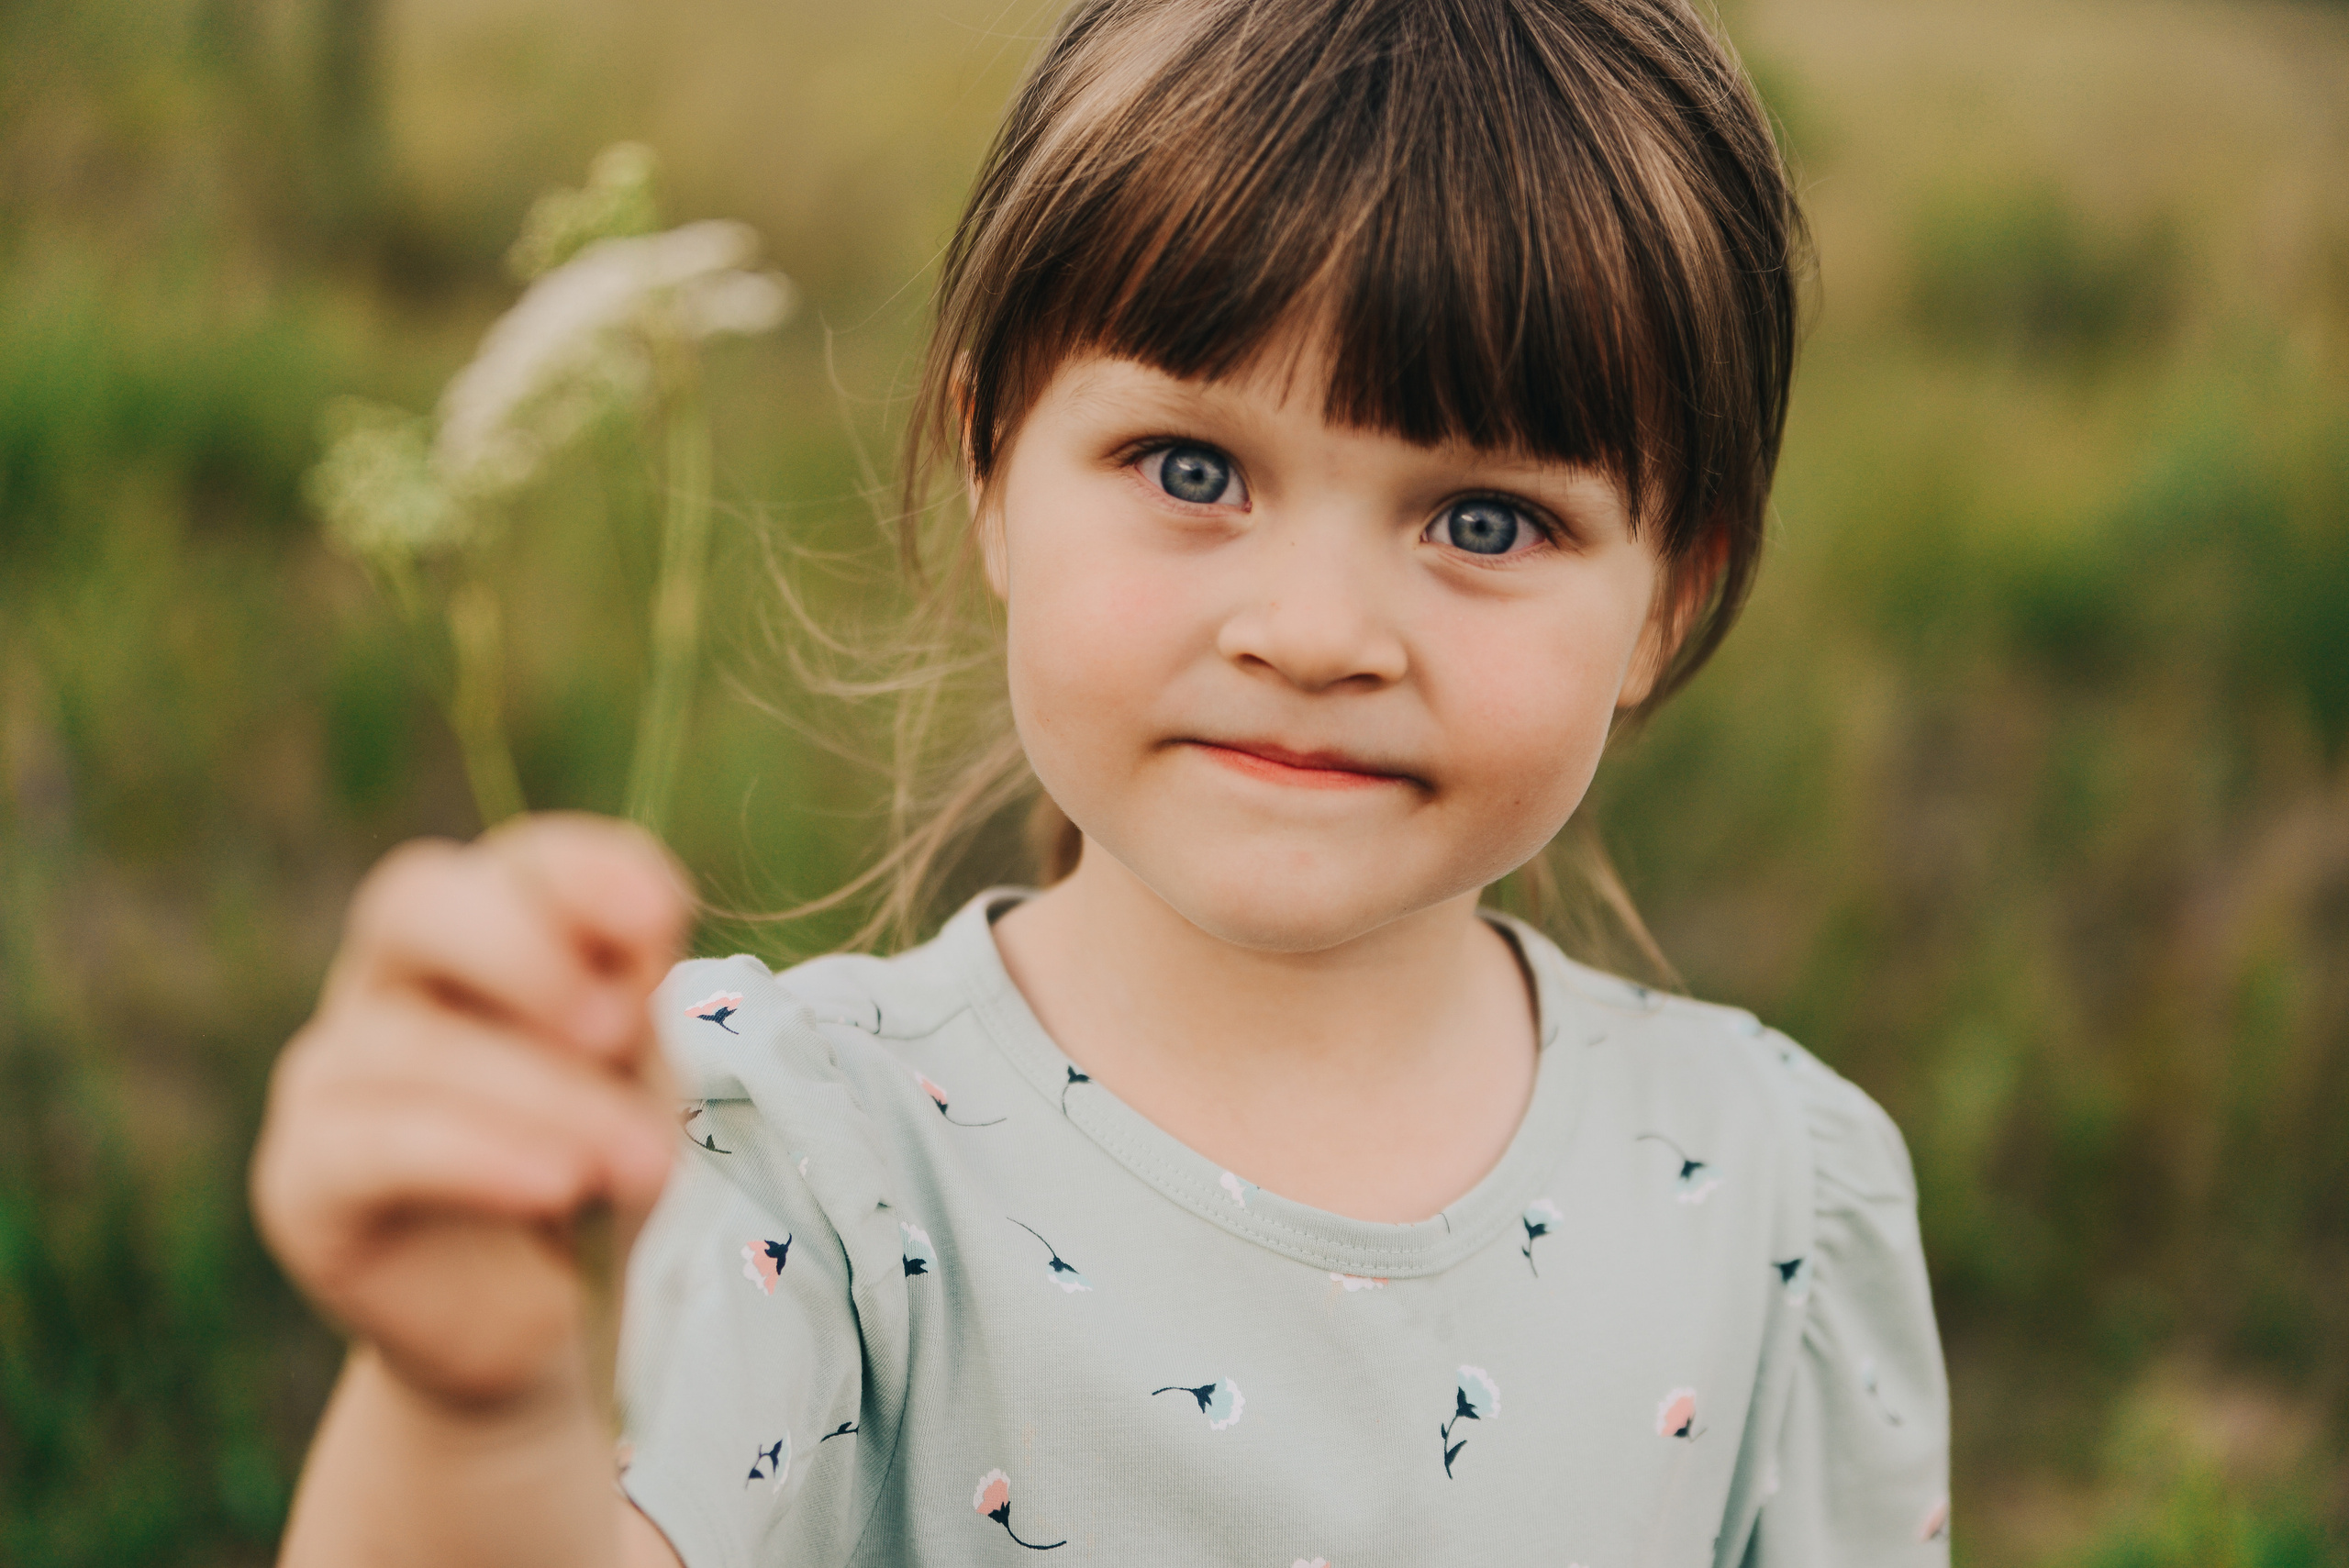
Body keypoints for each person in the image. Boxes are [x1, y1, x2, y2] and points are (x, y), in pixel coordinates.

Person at [250, 0, 1953, 1562]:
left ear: (1668, 591)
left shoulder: (1771, 1192)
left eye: (1485, 520)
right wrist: (464, 1409)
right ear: (992, 465)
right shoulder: (796, 1165)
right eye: (1193, 467)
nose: (1313, 631)